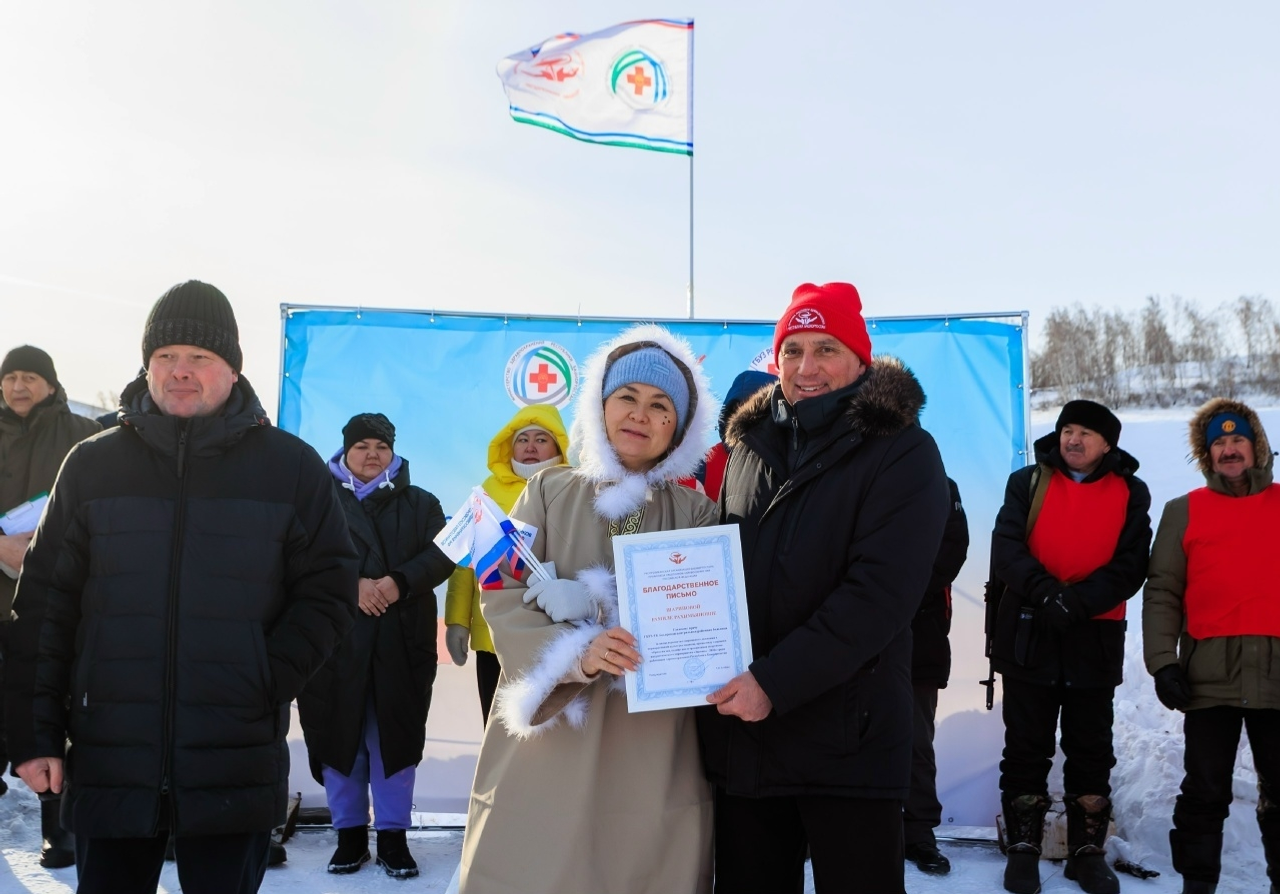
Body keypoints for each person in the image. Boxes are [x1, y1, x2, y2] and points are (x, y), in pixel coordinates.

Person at [3, 280, 359, 894]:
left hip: (234, 753)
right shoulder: (91, 464)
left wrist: (263, 675)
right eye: (166, 357)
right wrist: (35, 736)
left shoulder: (289, 468)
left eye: (200, 357)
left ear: (232, 369)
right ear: (146, 367)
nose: (181, 372)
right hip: (110, 751)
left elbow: (329, 589)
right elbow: (44, 604)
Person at [698, 281, 950, 894]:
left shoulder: (904, 452)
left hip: (849, 741)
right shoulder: (746, 449)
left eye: (826, 349)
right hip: (750, 743)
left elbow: (879, 596)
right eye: (793, 350)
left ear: (860, 361)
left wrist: (773, 684)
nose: (806, 368)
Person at [458, 324, 718, 894]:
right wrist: (577, 650)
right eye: (627, 397)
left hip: (649, 738)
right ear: (600, 406)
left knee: (644, 862)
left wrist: (603, 613)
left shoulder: (698, 512)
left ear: (679, 428)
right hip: (551, 735)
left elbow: (700, 616)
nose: (640, 415)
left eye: (660, 407)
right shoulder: (547, 490)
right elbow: (499, 587)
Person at [989, 399, 1151, 894]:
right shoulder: (1028, 482)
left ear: (1108, 444)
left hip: (1094, 637)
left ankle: (1086, 851)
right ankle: (1023, 848)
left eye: (1085, 433)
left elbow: (1131, 565)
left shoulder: (1131, 491)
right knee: (1025, 747)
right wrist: (1047, 594)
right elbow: (1006, 548)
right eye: (1067, 429)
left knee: (1091, 749)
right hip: (1029, 631)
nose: (1073, 440)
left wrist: (1076, 603)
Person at [298, 411, 455, 879]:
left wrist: (397, 582)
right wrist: (354, 584)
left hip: (400, 637)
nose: (372, 455)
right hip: (335, 637)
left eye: (381, 447)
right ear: (346, 451)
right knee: (338, 733)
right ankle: (348, 835)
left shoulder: (422, 502)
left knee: (393, 737)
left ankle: (392, 837)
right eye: (362, 446)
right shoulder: (316, 498)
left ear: (393, 453)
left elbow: (444, 552)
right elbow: (298, 552)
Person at [1143, 399, 1280, 894]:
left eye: (1237, 439)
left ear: (1256, 446)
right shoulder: (1184, 511)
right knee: (1204, 791)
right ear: (1207, 454)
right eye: (1218, 442)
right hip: (1208, 677)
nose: (1228, 449)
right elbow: (1162, 591)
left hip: (1277, 675)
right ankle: (1198, 886)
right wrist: (1162, 663)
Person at [0, 345, 100, 865]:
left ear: (51, 384)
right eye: (10, 377)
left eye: (30, 378)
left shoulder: (80, 437)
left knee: (52, 712)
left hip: (53, 607)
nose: (19, 386)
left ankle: (58, 828)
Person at [444, 406, 569, 725]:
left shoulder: (573, 488)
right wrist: (457, 621)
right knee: (498, 725)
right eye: (522, 439)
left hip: (553, 629)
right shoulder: (486, 492)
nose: (530, 446)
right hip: (492, 633)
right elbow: (464, 564)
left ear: (558, 447)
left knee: (551, 728)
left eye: (541, 439)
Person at [903, 476, 969, 876]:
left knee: (915, 738)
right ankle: (843, 826)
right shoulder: (849, 472)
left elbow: (952, 548)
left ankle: (918, 832)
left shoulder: (939, 482)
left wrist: (897, 590)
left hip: (920, 628)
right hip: (854, 626)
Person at [696, 369, 776, 502]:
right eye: (741, 416)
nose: (750, 423)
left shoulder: (800, 458)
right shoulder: (703, 466)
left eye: (761, 415)